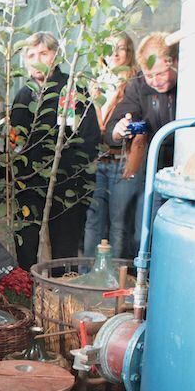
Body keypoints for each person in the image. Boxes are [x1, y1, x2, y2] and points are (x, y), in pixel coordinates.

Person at [11, 32, 99, 269]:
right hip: (30, 185)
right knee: (26, 245)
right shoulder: (23, 95)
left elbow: (90, 138)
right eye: (31, 55)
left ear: (56, 56)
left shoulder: (73, 90)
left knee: (64, 249)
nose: (36, 59)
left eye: (43, 53)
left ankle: (60, 299)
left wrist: (74, 176)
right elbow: (14, 141)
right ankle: (26, 296)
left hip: (66, 184)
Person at [104, 32, 178, 254]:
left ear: (174, 63)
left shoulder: (190, 82)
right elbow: (117, 122)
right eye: (149, 75)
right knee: (146, 232)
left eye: (160, 74)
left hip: (185, 166)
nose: (155, 81)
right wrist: (118, 130)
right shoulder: (137, 86)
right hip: (154, 168)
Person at [82, 33, 139, 258]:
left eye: (121, 48)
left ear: (129, 52)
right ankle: (87, 275)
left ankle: (114, 280)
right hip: (97, 160)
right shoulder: (94, 82)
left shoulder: (134, 82)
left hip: (122, 160)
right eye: (109, 48)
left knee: (119, 223)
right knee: (92, 219)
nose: (115, 53)